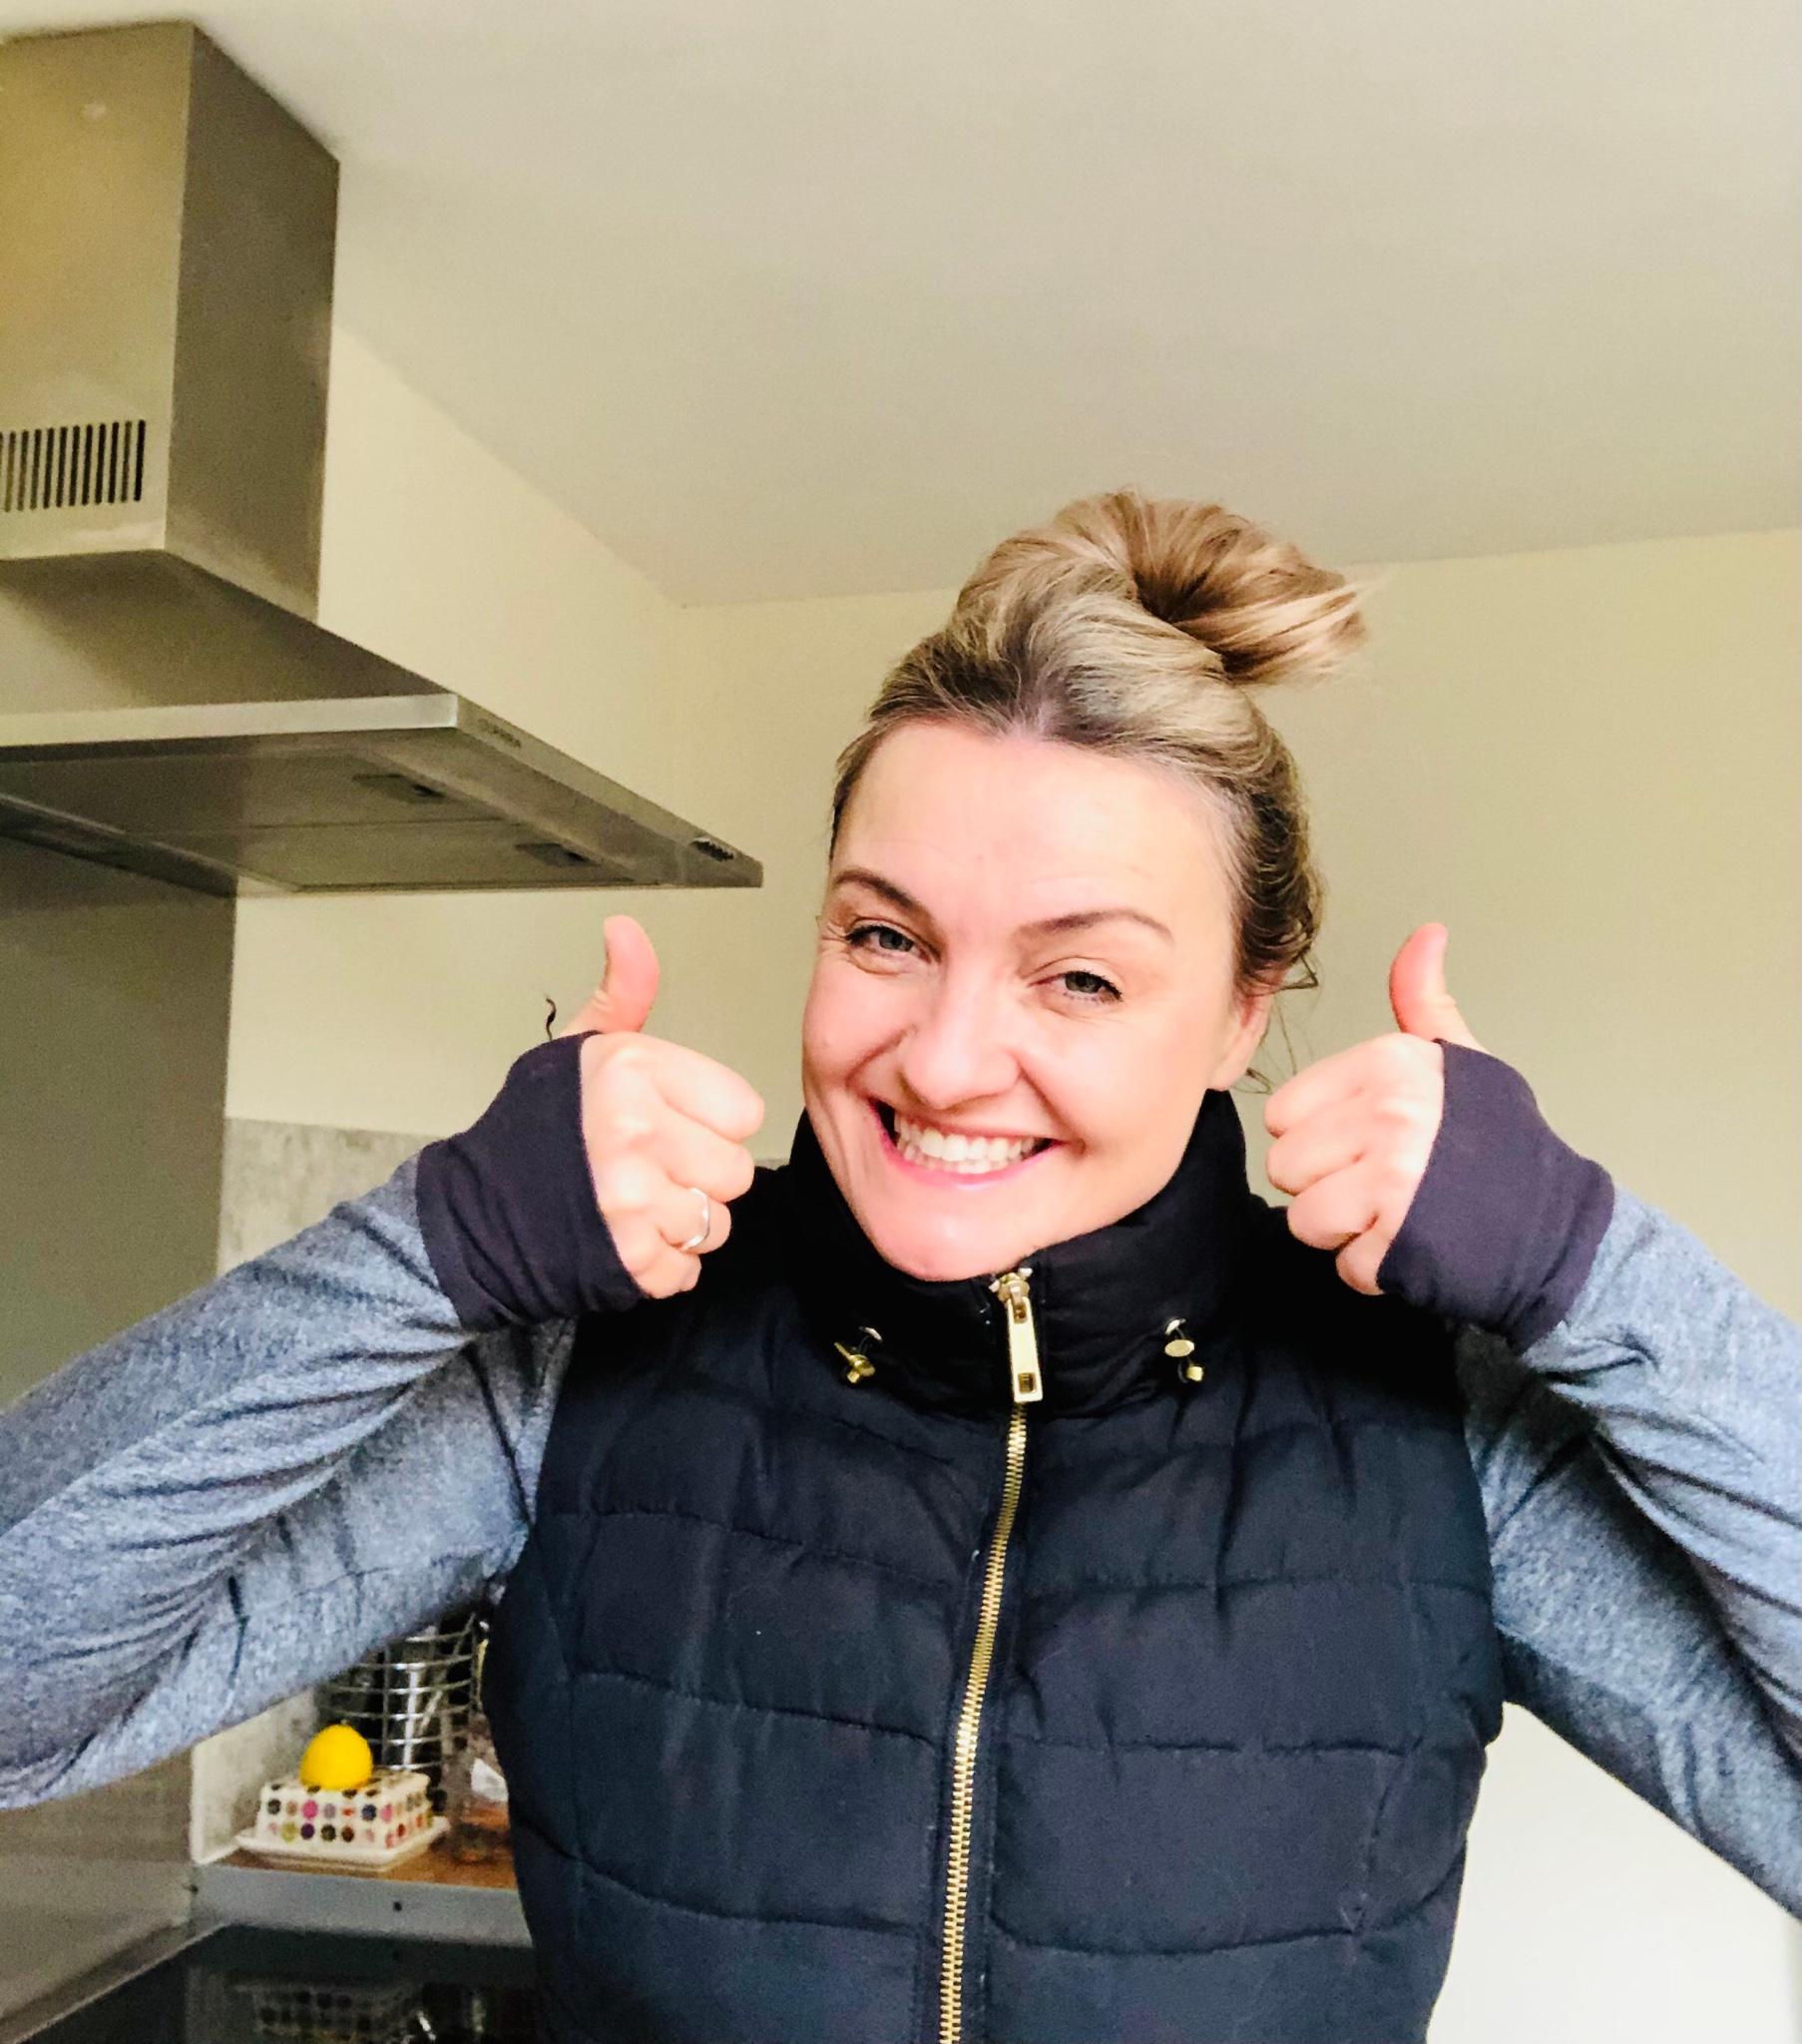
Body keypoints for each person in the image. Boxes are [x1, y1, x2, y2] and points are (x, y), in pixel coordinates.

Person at [1, 490, 1796, 2044]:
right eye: (885, 937)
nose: (940, 1061)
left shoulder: (1430, 1433)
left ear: (1244, 1012)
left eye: (1077, 976)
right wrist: (434, 1245)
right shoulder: (576, 1379)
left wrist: (1591, 1272)